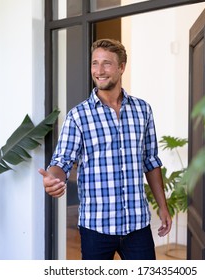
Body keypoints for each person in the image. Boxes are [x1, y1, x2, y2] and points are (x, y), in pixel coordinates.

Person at [38, 38, 172, 260]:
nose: (99, 70)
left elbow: (151, 161)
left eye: (107, 63)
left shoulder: (142, 110)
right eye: (94, 63)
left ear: (121, 67)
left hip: (137, 225)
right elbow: (61, 161)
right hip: (96, 227)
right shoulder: (78, 116)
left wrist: (163, 207)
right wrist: (52, 178)